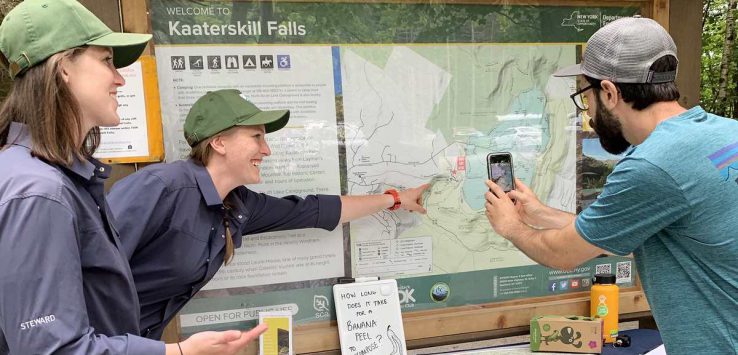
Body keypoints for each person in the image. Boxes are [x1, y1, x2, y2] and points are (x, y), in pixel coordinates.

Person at [0, 1, 265, 354]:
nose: (120, 78)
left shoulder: (56, 179)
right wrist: (179, 352)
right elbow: (51, 348)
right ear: (63, 68)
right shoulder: (38, 191)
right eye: (107, 60)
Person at [484, 16, 738, 354]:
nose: (586, 109)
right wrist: (540, 213)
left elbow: (562, 254)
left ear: (609, 92)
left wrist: (512, 226)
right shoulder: (726, 132)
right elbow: (615, 231)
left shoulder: (653, 165)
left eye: (585, 95)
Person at [108, 89, 429, 339]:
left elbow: (312, 211)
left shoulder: (237, 206)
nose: (267, 150)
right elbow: (88, 269)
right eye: (256, 137)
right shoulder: (162, 187)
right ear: (219, 142)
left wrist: (395, 199)